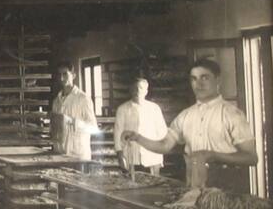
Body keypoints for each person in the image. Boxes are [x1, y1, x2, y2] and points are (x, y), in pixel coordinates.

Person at [122, 58, 257, 192]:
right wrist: (137, 137)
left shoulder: (232, 114)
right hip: (194, 184)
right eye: (194, 78)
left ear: (218, 80)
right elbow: (164, 145)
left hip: (227, 185)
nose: (198, 83)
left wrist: (213, 155)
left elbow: (251, 158)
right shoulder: (185, 115)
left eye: (204, 77)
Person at [113, 76, 168, 175]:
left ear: (146, 91)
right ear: (130, 90)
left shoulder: (154, 108)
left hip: (152, 156)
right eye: (135, 88)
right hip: (131, 155)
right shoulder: (122, 109)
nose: (138, 91)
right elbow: (118, 134)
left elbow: (162, 131)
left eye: (141, 88)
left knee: (154, 186)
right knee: (131, 186)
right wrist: (120, 155)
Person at [50, 61, 99, 160]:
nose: (61, 78)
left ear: (73, 75)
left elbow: (93, 128)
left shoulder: (83, 99)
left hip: (78, 154)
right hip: (59, 152)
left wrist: (73, 122)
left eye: (65, 74)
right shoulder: (56, 101)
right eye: (59, 75)